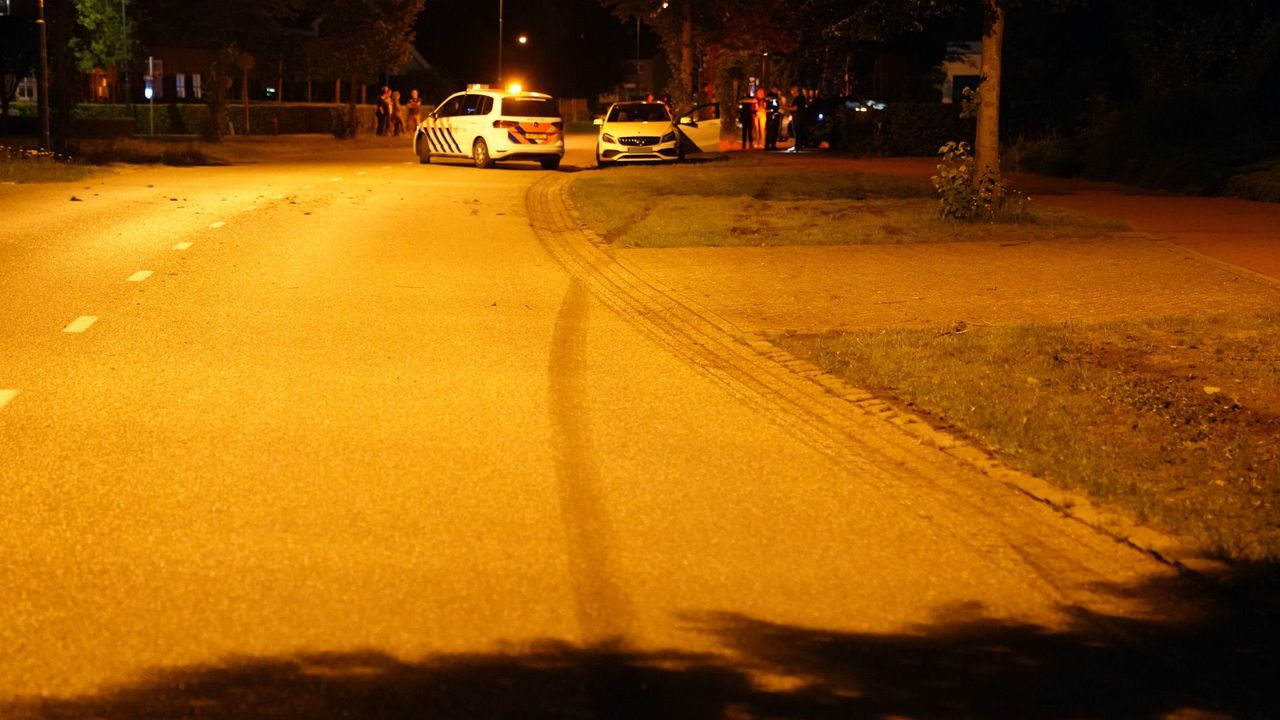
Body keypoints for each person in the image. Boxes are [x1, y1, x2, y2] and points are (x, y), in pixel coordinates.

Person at [787, 85, 808, 151]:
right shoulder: (799, 98)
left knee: (797, 132)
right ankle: (799, 146)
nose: (791, 92)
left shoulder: (799, 98)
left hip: (798, 117)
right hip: (798, 117)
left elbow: (795, 108)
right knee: (798, 132)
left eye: (792, 90)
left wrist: (785, 107)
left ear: (796, 90)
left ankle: (798, 146)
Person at [764, 84, 782, 150]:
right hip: (770, 114)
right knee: (770, 130)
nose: (776, 90)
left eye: (777, 89)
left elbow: (779, 104)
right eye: (775, 89)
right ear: (772, 89)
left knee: (775, 130)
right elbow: (766, 99)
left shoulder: (777, 96)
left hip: (776, 114)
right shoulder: (769, 95)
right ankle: (767, 145)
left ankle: (773, 145)